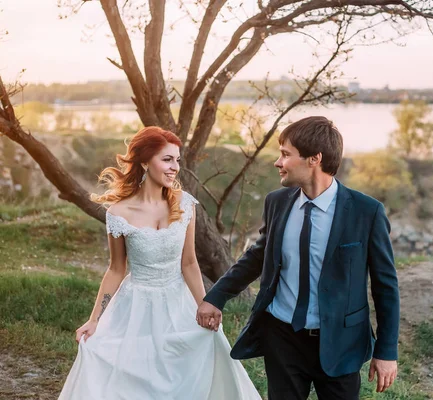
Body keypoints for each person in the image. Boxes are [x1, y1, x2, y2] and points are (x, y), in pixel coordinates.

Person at [198, 116, 400, 400]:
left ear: (314, 159)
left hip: (340, 342)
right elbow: (258, 256)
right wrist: (215, 296)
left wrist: (386, 351)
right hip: (282, 338)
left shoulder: (366, 212)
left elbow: (385, 286)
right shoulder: (277, 202)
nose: (277, 162)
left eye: (285, 154)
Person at [58, 126, 260, 400]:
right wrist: (94, 320)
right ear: (144, 162)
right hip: (135, 305)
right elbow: (116, 269)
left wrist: (206, 304)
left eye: (177, 160)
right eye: (167, 159)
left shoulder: (184, 204)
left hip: (178, 302)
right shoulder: (118, 213)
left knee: (197, 360)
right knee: (134, 376)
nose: (175, 167)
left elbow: (189, 263)